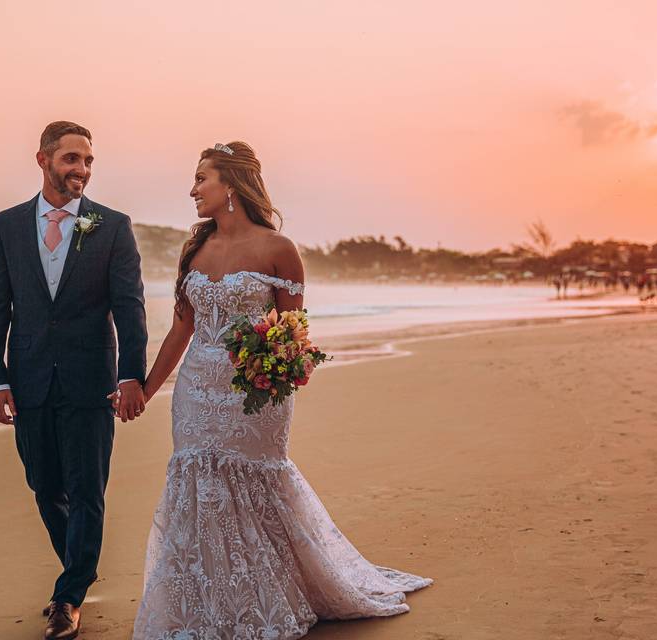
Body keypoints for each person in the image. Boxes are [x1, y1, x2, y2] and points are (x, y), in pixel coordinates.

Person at [117, 141, 432, 639]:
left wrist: (273, 369)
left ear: (232, 185)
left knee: (254, 481)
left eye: (202, 178)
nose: (193, 189)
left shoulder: (279, 250)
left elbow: (294, 331)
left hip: (253, 393)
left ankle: (272, 594)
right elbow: (181, 331)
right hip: (196, 390)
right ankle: (210, 601)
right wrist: (147, 390)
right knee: (198, 481)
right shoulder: (194, 250)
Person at [0, 121, 148, 640]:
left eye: (89, 161)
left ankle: (69, 596)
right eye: (72, 159)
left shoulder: (112, 226)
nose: (82, 169)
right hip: (29, 380)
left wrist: (131, 377)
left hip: (90, 380)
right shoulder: (6, 226)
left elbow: (130, 307)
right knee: (45, 486)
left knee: (86, 489)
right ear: (44, 160)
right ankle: (79, 570)